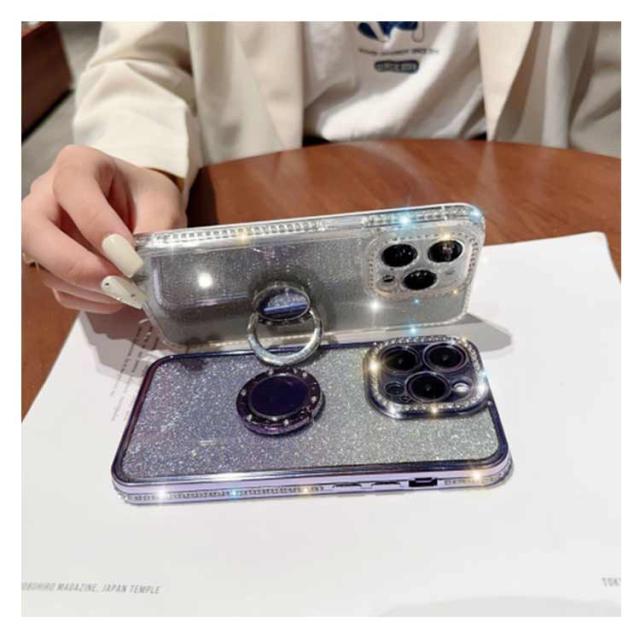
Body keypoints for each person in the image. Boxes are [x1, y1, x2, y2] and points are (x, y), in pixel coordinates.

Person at [21, 21, 621, 313]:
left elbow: (613, 69)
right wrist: (142, 161)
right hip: (263, 187)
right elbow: (144, 58)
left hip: (515, 182)